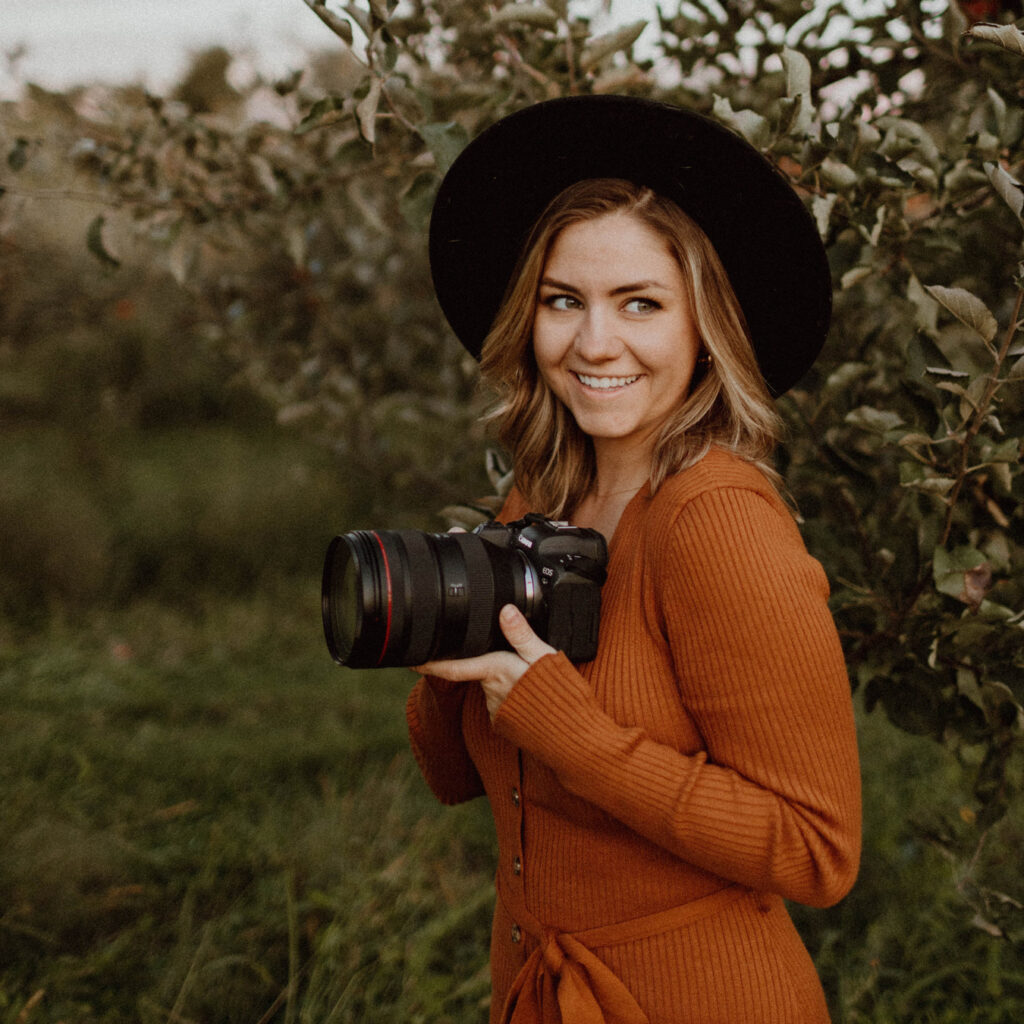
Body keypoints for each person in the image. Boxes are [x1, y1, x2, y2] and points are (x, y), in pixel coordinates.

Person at [406, 95, 861, 1024]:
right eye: (563, 301)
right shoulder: (542, 497)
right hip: (539, 992)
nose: (593, 343)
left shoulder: (715, 523)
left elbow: (818, 851)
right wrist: (441, 649)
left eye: (640, 304)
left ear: (705, 330)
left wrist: (568, 729)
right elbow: (455, 779)